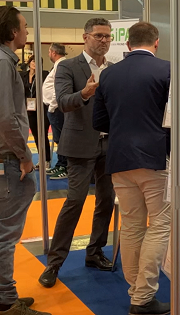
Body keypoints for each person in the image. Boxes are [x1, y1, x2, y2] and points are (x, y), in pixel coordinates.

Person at [93, 22, 171, 315]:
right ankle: (143, 296)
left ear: (127, 44)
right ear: (156, 42)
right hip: (154, 159)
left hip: (119, 158)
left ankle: (136, 292)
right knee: (160, 224)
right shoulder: (167, 70)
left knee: (132, 225)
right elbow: (177, 117)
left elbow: (99, 121)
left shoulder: (108, 74)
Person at [39, 18, 116, 289]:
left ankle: (95, 252)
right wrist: (84, 93)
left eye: (107, 36)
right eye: (98, 36)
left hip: (109, 145)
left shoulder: (113, 69)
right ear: (85, 37)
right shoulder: (68, 66)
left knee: (106, 200)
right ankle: (54, 263)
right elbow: (61, 102)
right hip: (80, 145)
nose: (104, 41)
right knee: (74, 201)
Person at [0, 6, 51, 315]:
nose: (27, 31)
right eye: (24, 26)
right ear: (12, 32)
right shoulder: (3, 63)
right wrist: (24, 156)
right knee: (6, 235)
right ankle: (6, 301)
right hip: (8, 161)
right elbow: (6, 118)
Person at [41, 44, 68, 178]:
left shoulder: (61, 65)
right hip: (54, 107)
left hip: (56, 108)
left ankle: (64, 166)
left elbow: (57, 88)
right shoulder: (59, 65)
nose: (48, 55)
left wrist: (52, 106)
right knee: (58, 138)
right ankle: (60, 164)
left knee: (61, 138)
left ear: (53, 52)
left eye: (49, 52)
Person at [21, 56, 51, 169]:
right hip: (29, 109)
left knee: (43, 134)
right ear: (29, 62)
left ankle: (46, 160)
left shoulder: (44, 74)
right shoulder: (22, 75)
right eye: (33, 61)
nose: (35, 63)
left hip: (42, 108)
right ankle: (41, 159)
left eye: (38, 62)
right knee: (35, 135)